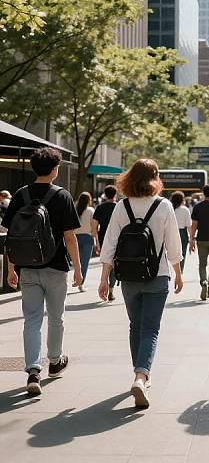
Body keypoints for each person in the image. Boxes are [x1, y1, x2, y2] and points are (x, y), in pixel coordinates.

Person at [98, 159, 183, 408]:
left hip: (128, 277)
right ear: (155, 178)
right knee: (150, 329)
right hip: (157, 275)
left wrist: (105, 278)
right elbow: (173, 245)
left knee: (135, 326)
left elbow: (110, 243)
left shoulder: (121, 206)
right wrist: (178, 273)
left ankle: (140, 374)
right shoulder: (164, 205)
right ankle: (141, 376)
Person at [1, 147, 82, 395]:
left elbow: (11, 237)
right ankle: (55, 362)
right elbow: (69, 237)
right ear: (56, 169)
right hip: (56, 268)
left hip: (28, 269)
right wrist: (78, 268)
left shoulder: (20, 195)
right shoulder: (62, 196)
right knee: (56, 318)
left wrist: (11, 268)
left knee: (32, 320)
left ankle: (33, 370)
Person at [92, 185, 117, 301]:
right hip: (117, 239)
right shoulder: (118, 207)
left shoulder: (99, 208)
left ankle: (104, 283)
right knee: (114, 265)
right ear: (115, 195)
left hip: (103, 239)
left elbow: (94, 227)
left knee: (106, 263)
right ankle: (111, 289)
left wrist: (97, 243)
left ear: (105, 195)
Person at [75, 192, 97, 292]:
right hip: (88, 238)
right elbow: (94, 225)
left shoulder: (75, 210)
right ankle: (81, 284)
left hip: (75, 237)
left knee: (76, 262)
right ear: (89, 200)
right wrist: (95, 236)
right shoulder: (91, 210)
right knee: (84, 262)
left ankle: (75, 279)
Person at [171, 191, 192, 272]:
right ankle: (180, 271)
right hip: (182, 233)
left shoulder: (170, 209)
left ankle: (172, 269)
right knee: (182, 253)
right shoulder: (185, 209)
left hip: (172, 231)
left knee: (171, 252)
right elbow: (188, 225)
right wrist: (191, 238)